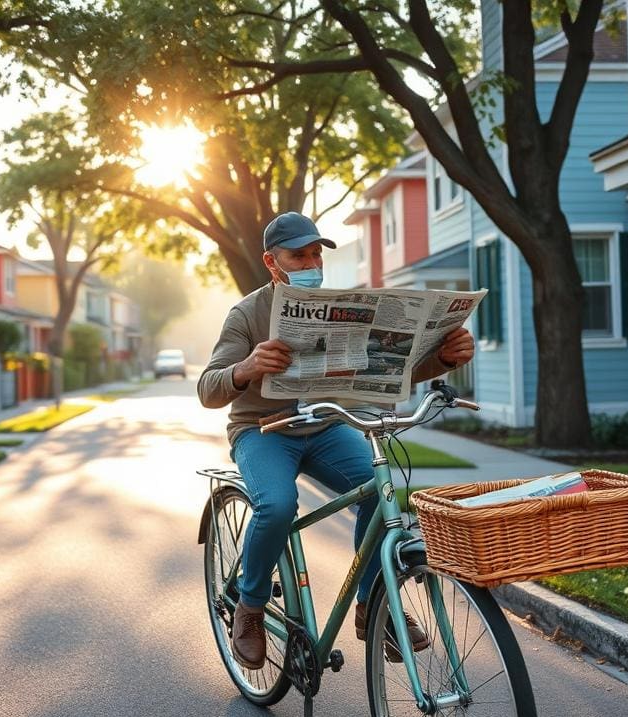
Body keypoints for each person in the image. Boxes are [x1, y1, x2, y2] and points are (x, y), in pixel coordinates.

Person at [197, 211, 476, 670]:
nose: (311, 263)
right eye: (298, 255)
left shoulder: (341, 307)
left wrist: (440, 360)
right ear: (272, 262)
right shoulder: (247, 313)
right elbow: (209, 388)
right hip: (262, 432)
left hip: (326, 424)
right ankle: (249, 605)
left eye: (315, 254)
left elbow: (381, 375)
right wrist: (246, 368)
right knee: (279, 505)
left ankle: (371, 606)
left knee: (378, 489)